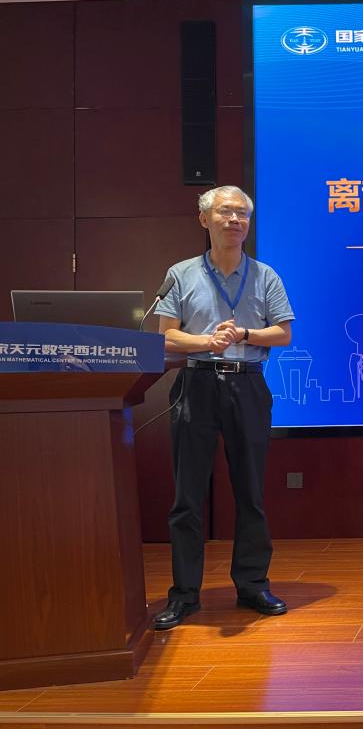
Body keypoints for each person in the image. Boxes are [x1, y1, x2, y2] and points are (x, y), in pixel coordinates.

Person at [153, 185, 294, 630]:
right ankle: (184, 594)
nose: (235, 220)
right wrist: (205, 342)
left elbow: (284, 333)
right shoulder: (180, 274)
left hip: (247, 384)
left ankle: (252, 585)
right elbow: (165, 335)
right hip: (195, 383)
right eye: (226, 212)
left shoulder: (265, 275)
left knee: (250, 491)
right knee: (187, 496)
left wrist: (245, 334)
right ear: (204, 219)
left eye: (242, 214)